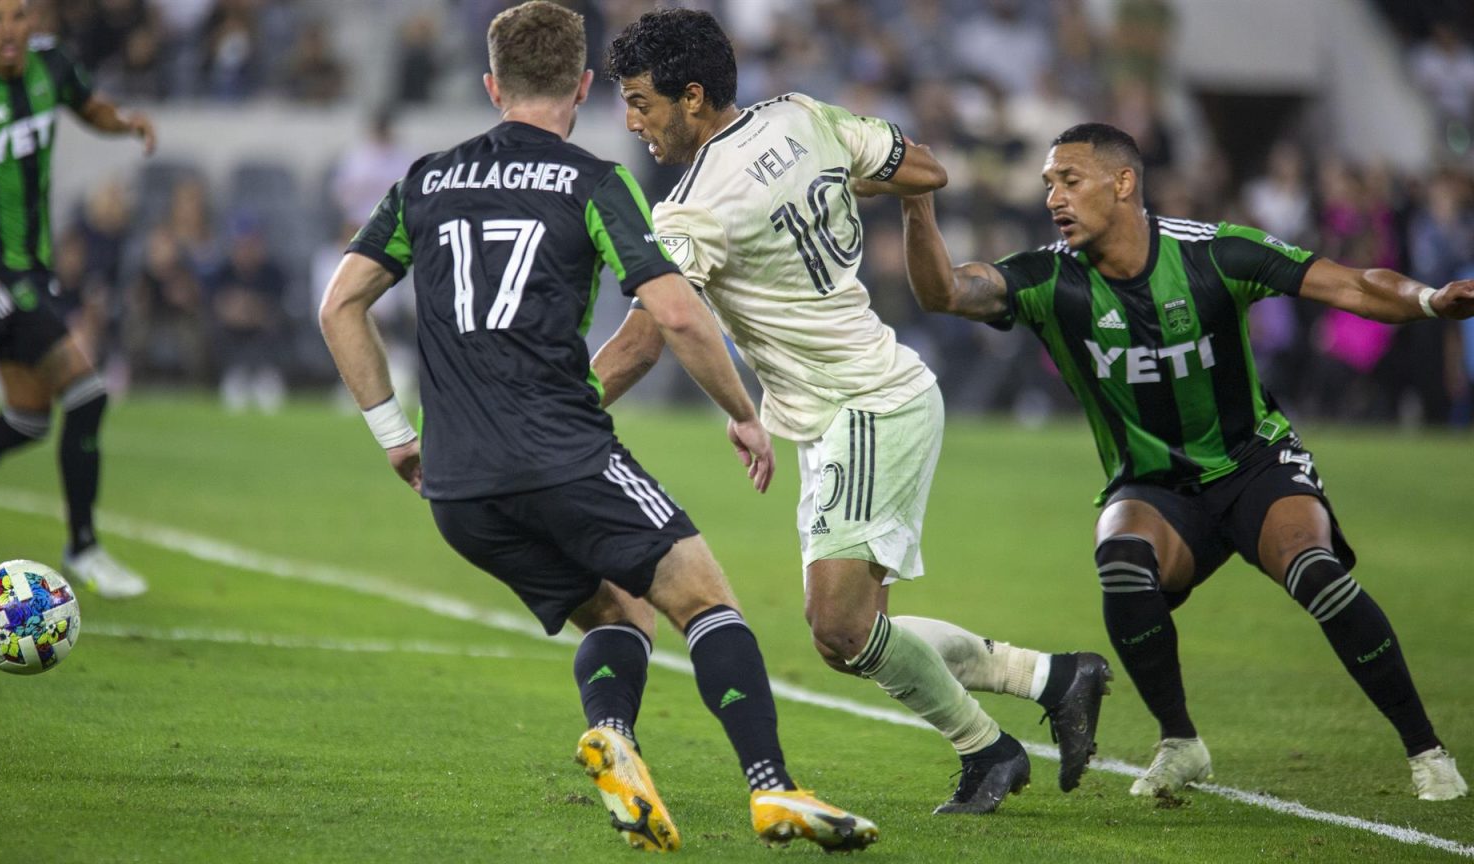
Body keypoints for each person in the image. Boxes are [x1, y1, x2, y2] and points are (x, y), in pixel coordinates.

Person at [317, 2, 876, 852]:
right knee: (709, 604)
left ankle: (613, 734)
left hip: (460, 489)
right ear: (582, 85)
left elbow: (342, 304)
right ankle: (773, 791)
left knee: (621, 613)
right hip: (564, 455)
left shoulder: (424, 180)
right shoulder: (592, 182)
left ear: (491, 85)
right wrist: (744, 413)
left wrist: (396, 434)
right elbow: (681, 319)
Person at [597, 8, 1110, 814]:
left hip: (867, 404)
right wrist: (891, 201)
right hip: (846, 410)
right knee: (857, 634)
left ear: (692, 97)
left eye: (639, 101)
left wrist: (557, 412)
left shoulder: (690, 209)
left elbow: (648, 334)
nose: (633, 121)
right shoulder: (803, 117)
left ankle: (991, 751)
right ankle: (1051, 677)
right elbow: (928, 170)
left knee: (838, 627)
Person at [892, 122, 1472, 801]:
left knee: (1316, 573)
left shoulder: (1215, 252)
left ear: (1123, 182)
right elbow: (944, 293)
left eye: (1070, 181)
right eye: (1049, 184)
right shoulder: (1049, 278)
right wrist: (915, 202)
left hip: (1252, 463)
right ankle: (1180, 742)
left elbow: (1350, 285)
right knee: (1121, 560)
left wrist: (1431, 301)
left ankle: (1427, 752)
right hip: (1154, 487)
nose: (1054, 197)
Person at [0, 0, 156, 598]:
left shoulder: (53, 66)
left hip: (33, 266)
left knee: (27, 419)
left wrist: (125, 122)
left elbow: (90, 107)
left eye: (20, 17)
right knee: (86, 392)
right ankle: (83, 547)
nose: (9, 30)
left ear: (34, 22)